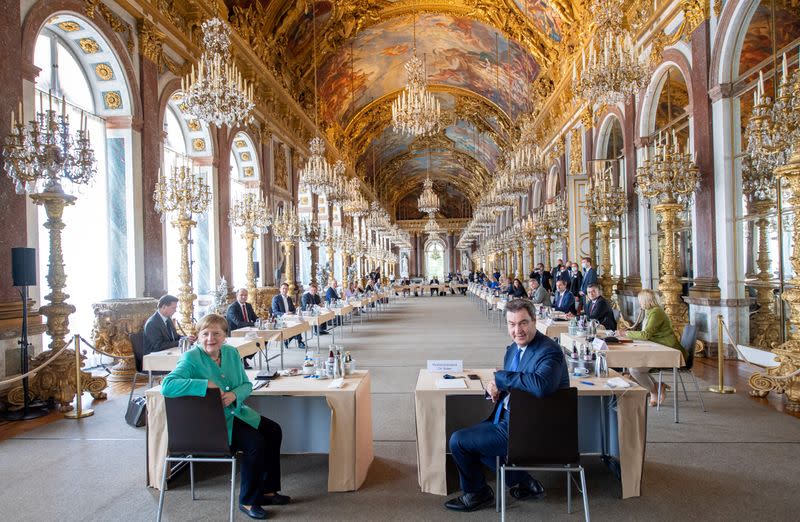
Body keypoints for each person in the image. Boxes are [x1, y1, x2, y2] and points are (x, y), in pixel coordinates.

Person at [444, 299, 569, 512]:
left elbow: (540, 385)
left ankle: (477, 494)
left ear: (534, 321)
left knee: (458, 441)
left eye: (523, 323)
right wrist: (498, 388)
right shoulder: (513, 349)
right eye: (512, 324)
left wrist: (501, 378)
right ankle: (525, 483)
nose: (517, 330)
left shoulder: (550, 352)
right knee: (476, 445)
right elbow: (517, 380)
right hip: (510, 418)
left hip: (530, 429)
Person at [161, 314, 289, 520]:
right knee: (255, 443)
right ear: (198, 336)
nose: (210, 338)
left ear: (225, 336)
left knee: (273, 431)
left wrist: (234, 395)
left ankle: (267, 490)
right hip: (212, 423)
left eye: (216, 334)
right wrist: (204, 385)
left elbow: (246, 385)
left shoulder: (231, 353)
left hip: (236, 412)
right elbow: (168, 386)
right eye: (205, 334)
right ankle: (248, 500)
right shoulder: (191, 358)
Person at [619, 289, 686, 406]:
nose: (639, 303)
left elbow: (645, 335)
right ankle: (658, 386)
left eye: (640, 301)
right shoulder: (650, 312)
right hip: (658, 347)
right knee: (635, 365)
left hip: (668, 351)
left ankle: (654, 391)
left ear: (646, 301)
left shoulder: (656, 313)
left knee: (635, 369)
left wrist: (626, 334)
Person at [226, 288, 259, 368]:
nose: (244, 297)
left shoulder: (248, 305)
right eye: (241, 295)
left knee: (263, 340)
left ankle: (245, 356)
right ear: (237, 296)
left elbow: (255, 318)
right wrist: (253, 324)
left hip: (248, 330)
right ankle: (242, 358)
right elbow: (238, 323)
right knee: (251, 341)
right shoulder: (232, 307)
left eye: (245, 295)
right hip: (236, 332)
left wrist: (260, 321)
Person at [270, 283, 305, 349]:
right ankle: (298, 341)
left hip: (290, 317)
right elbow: (275, 312)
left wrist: (294, 312)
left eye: (286, 289)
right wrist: (285, 314)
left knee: (299, 322)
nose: (284, 290)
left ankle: (289, 339)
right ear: (280, 289)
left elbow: (293, 309)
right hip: (280, 319)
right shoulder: (276, 298)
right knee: (294, 324)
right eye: (283, 288)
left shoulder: (289, 298)